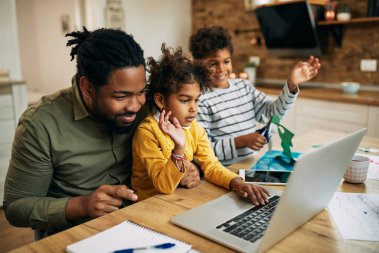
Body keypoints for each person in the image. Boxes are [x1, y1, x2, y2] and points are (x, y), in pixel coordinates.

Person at [3, 27, 199, 237]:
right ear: (87, 88)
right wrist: (81, 205)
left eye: (141, 92)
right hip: (76, 233)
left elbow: (181, 142)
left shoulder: (149, 105)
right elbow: (16, 207)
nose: (135, 105)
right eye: (121, 96)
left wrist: (190, 167)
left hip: (146, 218)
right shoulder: (41, 124)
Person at [131, 44, 269, 205]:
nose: (194, 108)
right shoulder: (147, 132)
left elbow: (211, 166)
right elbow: (164, 186)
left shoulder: (195, 128)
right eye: (185, 100)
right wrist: (179, 149)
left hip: (180, 198)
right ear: (161, 101)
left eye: (197, 99)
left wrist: (237, 183)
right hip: (148, 205)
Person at [189, 26, 321, 166]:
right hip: (223, 172)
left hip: (250, 165)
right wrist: (241, 142)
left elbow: (272, 113)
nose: (221, 69)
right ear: (197, 64)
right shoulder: (199, 99)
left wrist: (292, 84)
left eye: (226, 61)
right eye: (212, 64)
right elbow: (201, 152)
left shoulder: (244, 87)